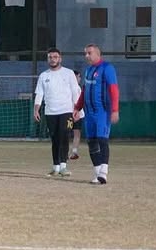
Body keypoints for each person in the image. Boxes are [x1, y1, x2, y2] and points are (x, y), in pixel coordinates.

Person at [75, 43, 120, 185]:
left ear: (97, 54)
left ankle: (103, 173)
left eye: (89, 53)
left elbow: (114, 90)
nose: (86, 56)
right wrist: (77, 107)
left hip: (102, 112)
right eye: (85, 53)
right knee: (91, 142)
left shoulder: (107, 68)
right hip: (89, 113)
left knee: (102, 140)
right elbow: (84, 91)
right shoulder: (88, 70)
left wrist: (115, 110)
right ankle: (97, 173)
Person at [33, 47, 81, 177]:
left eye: (55, 57)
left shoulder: (69, 73)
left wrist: (77, 109)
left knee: (64, 136)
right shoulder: (44, 76)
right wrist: (36, 109)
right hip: (50, 112)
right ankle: (56, 167)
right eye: (50, 57)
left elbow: (75, 92)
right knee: (55, 139)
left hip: (66, 111)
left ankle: (63, 166)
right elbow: (39, 94)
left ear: (60, 59)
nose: (52, 59)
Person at [69, 71, 84, 160]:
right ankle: (66, 152)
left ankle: (74, 152)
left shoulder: (78, 88)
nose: (76, 79)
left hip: (77, 113)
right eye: (75, 77)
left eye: (78, 77)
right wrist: (76, 112)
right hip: (71, 113)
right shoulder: (71, 88)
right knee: (67, 133)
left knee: (76, 133)